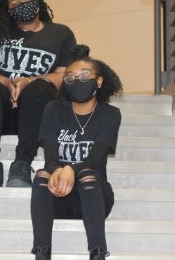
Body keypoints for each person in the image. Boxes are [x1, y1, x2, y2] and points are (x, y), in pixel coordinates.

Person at [0, 0, 77, 187]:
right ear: (7, 10)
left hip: (37, 111)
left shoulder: (61, 33)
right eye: (15, 3)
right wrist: (6, 83)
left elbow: (64, 75)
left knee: (42, 87)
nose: (23, 4)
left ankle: (23, 164)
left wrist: (28, 82)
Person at [31, 45, 122, 260]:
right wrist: (59, 171)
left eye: (84, 76)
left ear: (98, 81)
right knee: (43, 174)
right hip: (59, 196)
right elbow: (51, 158)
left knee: (87, 174)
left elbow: (95, 159)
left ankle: (97, 252)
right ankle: (41, 253)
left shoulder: (110, 114)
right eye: (70, 78)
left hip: (93, 197)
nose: (77, 82)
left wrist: (71, 169)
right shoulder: (54, 109)